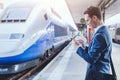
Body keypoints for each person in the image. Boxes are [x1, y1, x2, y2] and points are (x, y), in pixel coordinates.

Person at [74, 6, 112, 80]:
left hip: (97, 75)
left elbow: (91, 59)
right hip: (101, 72)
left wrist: (78, 48)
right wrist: (84, 46)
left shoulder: (100, 35)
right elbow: (97, 52)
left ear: (94, 18)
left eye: (87, 20)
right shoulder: (104, 31)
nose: (87, 24)